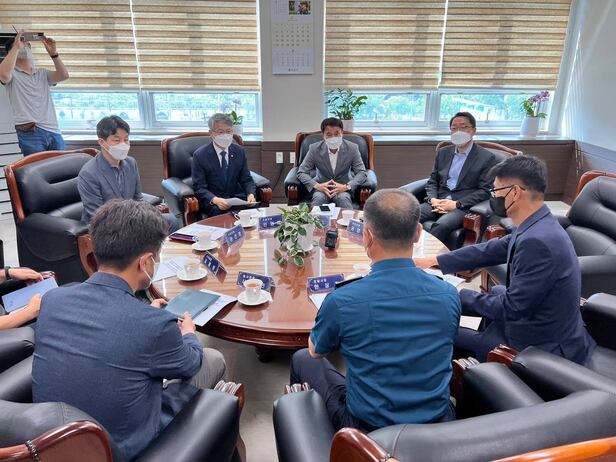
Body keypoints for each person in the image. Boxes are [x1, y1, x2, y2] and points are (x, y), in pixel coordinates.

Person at [32, 200, 226, 461]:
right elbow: (190, 365)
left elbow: (106, 328)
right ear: (145, 262)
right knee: (212, 358)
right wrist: (189, 334)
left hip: (53, 445)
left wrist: (146, 316)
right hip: (121, 450)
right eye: (156, 258)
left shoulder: (53, 300)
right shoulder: (154, 325)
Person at [291, 189, 461, 431]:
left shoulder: (342, 300)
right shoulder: (448, 294)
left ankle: (316, 440)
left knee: (302, 358)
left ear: (367, 236)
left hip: (368, 430)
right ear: (418, 233)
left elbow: (316, 351)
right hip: (438, 423)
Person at [415, 155, 596, 364]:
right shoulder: (538, 221)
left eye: (495, 191)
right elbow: (493, 249)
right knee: (489, 293)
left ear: (515, 192)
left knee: (434, 331)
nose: (493, 197)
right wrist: (436, 260)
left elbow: (511, 308)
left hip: (540, 343)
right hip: (539, 318)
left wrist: (455, 293)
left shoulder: (538, 243)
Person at [78, 115, 179, 232]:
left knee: (172, 221)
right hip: (106, 226)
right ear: (102, 142)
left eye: (126, 139)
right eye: (117, 140)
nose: (123, 144)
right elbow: (96, 215)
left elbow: (137, 198)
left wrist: (146, 215)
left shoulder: (131, 163)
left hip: (130, 219)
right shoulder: (89, 173)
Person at [420, 112, 497, 247]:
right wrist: (433, 199)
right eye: (454, 128)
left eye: (464, 127)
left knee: (441, 226)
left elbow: (485, 191)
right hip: (438, 201)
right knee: (407, 216)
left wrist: (456, 204)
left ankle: (427, 256)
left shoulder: (486, 157)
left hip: (462, 206)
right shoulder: (443, 153)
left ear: (473, 131)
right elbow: (432, 181)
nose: (458, 131)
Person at [0, 31, 68, 155]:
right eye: (22, 43)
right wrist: (16, 47)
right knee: (36, 167)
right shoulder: (12, 74)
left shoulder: (42, 73)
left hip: (53, 130)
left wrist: (54, 54)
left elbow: (63, 75)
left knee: (60, 166)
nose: (25, 45)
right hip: (30, 132)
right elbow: (3, 75)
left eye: (28, 44)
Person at [192, 113, 257, 217]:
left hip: (237, 199)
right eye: (221, 132)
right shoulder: (200, 155)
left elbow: (246, 179)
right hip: (215, 202)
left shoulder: (239, 151)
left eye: (228, 131)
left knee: (254, 214)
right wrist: (215, 199)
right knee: (219, 214)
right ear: (211, 133)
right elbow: (199, 187)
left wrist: (251, 194)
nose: (225, 135)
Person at [297, 117, 367, 209]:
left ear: (342, 133)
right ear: (323, 135)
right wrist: (317, 185)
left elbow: (362, 173)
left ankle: (348, 219)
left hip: (343, 187)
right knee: (319, 199)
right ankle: (314, 219)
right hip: (321, 187)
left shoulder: (352, 148)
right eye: (329, 134)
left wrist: (347, 187)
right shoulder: (314, 148)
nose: (333, 137)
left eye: (337, 134)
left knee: (343, 199)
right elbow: (302, 172)